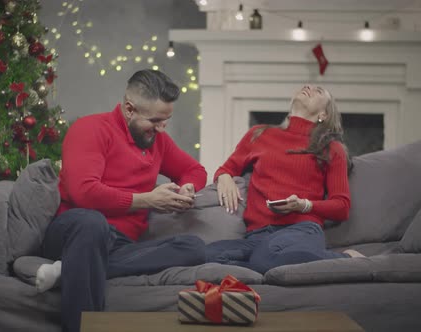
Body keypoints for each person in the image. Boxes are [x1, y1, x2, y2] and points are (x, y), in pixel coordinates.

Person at [41, 69, 208, 332]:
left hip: (119, 246)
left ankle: (71, 268)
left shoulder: (157, 141)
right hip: (75, 230)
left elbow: (196, 171)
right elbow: (83, 193)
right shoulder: (91, 129)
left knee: (194, 247)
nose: (161, 128)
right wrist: (148, 200)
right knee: (92, 223)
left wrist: (188, 187)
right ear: (129, 109)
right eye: (154, 120)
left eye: (166, 120)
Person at [206, 84, 363, 275]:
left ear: (324, 114)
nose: (308, 87)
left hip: (301, 230)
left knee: (264, 258)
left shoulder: (332, 148)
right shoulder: (259, 134)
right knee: (209, 255)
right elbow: (227, 168)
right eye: (307, 86)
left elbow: (342, 206)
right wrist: (224, 177)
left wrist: (303, 205)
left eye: (319, 90)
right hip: (257, 235)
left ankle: (349, 260)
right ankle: (270, 265)